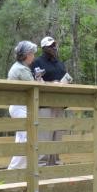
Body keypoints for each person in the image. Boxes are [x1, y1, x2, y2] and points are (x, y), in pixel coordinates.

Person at [31, 36, 70, 166]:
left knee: (57, 135)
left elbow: (64, 77)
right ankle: (42, 165)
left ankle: (56, 164)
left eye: (55, 45)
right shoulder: (37, 62)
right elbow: (35, 81)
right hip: (45, 104)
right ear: (44, 48)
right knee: (44, 136)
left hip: (60, 103)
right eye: (51, 45)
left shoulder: (60, 63)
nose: (54, 47)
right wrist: (51, 83)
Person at [7, 41, 42, 170]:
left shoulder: (20, 67)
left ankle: (22, 171)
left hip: (20, 106)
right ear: (27, 55)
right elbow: (33, 88)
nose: (33, 56)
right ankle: (13, 170)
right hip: (19, 106)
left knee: (22, 138)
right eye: (32, 53)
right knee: (27, 138)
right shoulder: (20, 69)